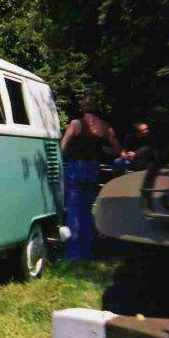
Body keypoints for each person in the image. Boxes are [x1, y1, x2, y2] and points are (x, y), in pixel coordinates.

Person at [60, 96, 121, 260]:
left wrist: (59, 160)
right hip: (93, 168)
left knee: (73, 209)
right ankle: (88, 250)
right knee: (87, 209)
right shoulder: (105, 127)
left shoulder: (76, 124)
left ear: (82, 108)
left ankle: (73, 253)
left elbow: (63, 145)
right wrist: (102, 150)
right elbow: (116, 150)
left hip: (76, 167)